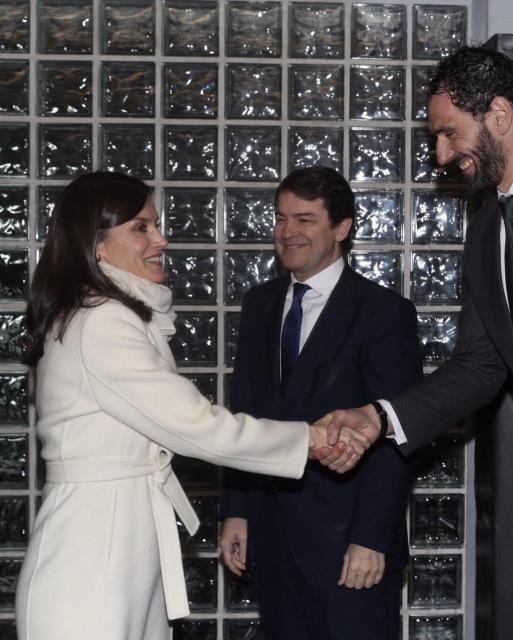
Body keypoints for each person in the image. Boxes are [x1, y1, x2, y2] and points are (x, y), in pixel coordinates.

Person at [14, 172, 365, 640]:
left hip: (123, 546)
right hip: (91, 556)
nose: (161, 239)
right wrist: (314, 438)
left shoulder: (110, 313)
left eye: (156, 225)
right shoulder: (102, 322)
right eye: (141, 227)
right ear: (95, 244)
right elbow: (199, 426)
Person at [322, 46, 513, 493]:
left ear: (499, 116)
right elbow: (480, 365)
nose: (441, 155)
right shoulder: (486, 225)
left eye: (449, 133)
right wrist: (378, 417)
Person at [218, 167, 421, 640]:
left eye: (305, 219)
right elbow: (245, 414)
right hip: (271, 540)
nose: (288, 232)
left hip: (351, 547)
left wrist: (371, 538)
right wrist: (239, 509)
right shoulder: (260, 305)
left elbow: (396, 433)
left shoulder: (384, 313)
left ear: (342, 228)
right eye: (281, 218)